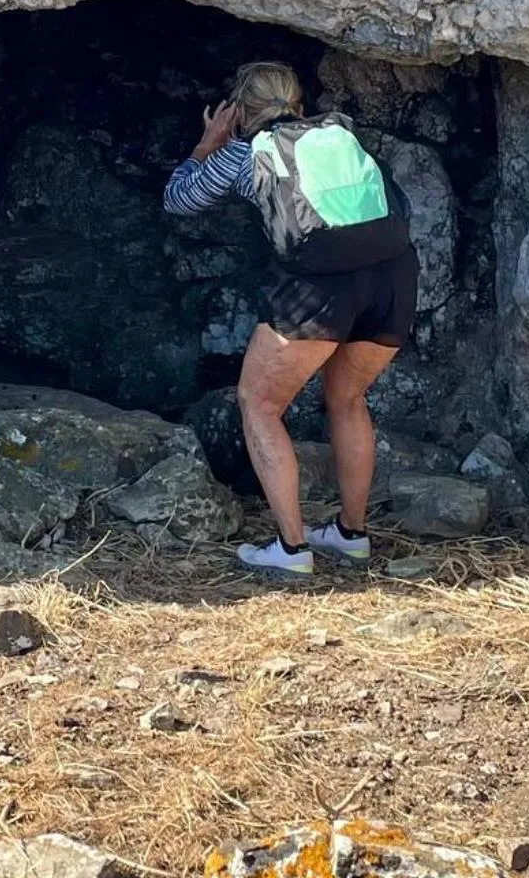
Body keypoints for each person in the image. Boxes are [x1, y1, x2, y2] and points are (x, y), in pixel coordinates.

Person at [163, 60, 417, 577]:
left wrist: (207, 143)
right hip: (392, 278)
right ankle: (351, 535)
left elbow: (178, 199)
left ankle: (292, 549)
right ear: (300, 103)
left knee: (258, 404)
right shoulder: (340, 132)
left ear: (239, 112)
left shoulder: (241, 153)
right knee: (347, 399)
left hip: (318, 286)